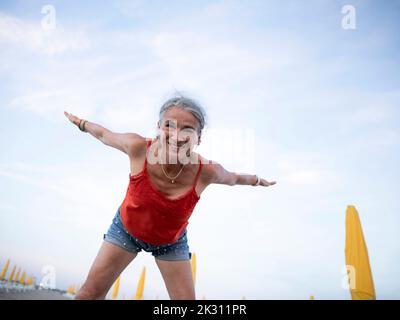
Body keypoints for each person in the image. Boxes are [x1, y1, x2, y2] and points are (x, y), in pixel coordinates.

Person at [64, 95, 276, 300]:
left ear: (198, 138)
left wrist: (257, 180)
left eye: (188, 129)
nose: (176, 135)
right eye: (169, 125)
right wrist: (81, 123)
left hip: (171, 243)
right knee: (87, 295)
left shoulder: (206, 171)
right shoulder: (137, 147)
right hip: (125, 230)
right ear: (158, 127)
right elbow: (103, 134)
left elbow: (234, 178)